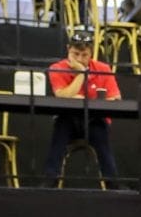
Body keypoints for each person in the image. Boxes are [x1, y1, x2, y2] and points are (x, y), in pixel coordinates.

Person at [44, 29, 122, 189]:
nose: (79, 59)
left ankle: (113, 183)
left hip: (94, 119)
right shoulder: (56, 68)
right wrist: (81, 74)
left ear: (91, 53)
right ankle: (50, 180)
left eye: (84, 55)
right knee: (60, 127)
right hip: (68, 118)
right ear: (68, 50)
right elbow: (62, 95)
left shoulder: (103, 68)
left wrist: (88, 101)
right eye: (75, 54)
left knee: (101, 133)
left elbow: (115, 98)